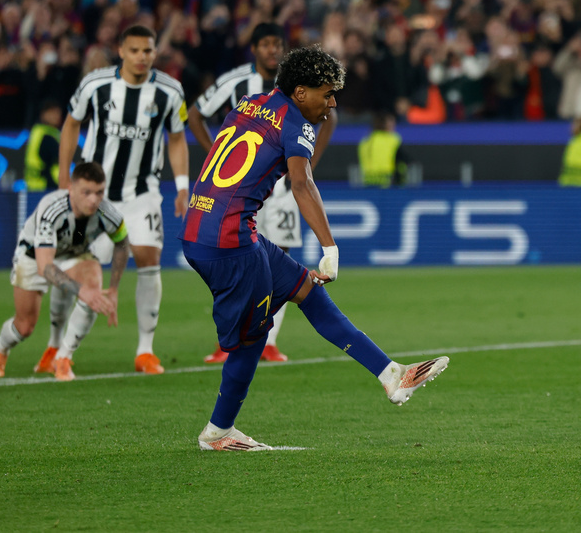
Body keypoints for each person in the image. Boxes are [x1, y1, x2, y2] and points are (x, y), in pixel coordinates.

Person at [182, 46, 449, 451]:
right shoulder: (297, 124)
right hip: (230, 241)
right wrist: (330, 245)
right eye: (326, 94)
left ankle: (391, 374)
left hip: (205, 227)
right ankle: (218, 432)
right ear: (300, 91)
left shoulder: (250, 102)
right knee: (251, 341)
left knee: (307, 288)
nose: (332, 103)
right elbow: (302, 182)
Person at [187, 22, 339, 364]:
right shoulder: (237, 82)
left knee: (280, 256)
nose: (273, 50)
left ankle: (269, 339)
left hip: (284, 186)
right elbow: (195, 114)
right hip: (239, 189)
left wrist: (308, 163)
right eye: (267, 44)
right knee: (235, 259)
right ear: (254, 48)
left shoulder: (301, 83)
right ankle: (230, 339)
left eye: (278, 44)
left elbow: (329, 119)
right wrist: (218, 153)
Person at [57, 25, 189, 375]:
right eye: (135, 51)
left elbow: (176, 139)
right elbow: (71, 124)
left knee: (148, 257)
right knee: (83, 272)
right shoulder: (95, 85)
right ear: (121, 51)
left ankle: (145, 351)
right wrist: (63, 177)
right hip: (94, 198)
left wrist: (182, 186)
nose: (142, 57)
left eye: (148, 51)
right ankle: (61, 349)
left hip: (142, 192)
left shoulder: (170, 91)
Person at [0, 162, 129, 381]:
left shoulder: (107, 212)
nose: (93, 200)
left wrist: (114, 289)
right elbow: (46, 267)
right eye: (86, 192)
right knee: (24, 327)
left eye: (99, 192)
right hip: (35, 256)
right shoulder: (52, 210)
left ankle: (62, 356)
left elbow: (122, 243)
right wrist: (81, 291)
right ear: (71, 189)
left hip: (73, 254)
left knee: (94, 286)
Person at [358, 111, 405, 187]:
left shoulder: (365, 141)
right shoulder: (393, 139)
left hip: (367, 181)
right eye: (392, 123)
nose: (394, 126)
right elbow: (402, 163)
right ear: (385, 124)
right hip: (388, 181)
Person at [24, 100, 63, 192]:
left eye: (58, 112)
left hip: (32, 186)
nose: (56, 116)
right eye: (53, 112)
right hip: (47, 187)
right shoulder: (47, 136)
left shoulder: (37, 131)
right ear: (43, 114)